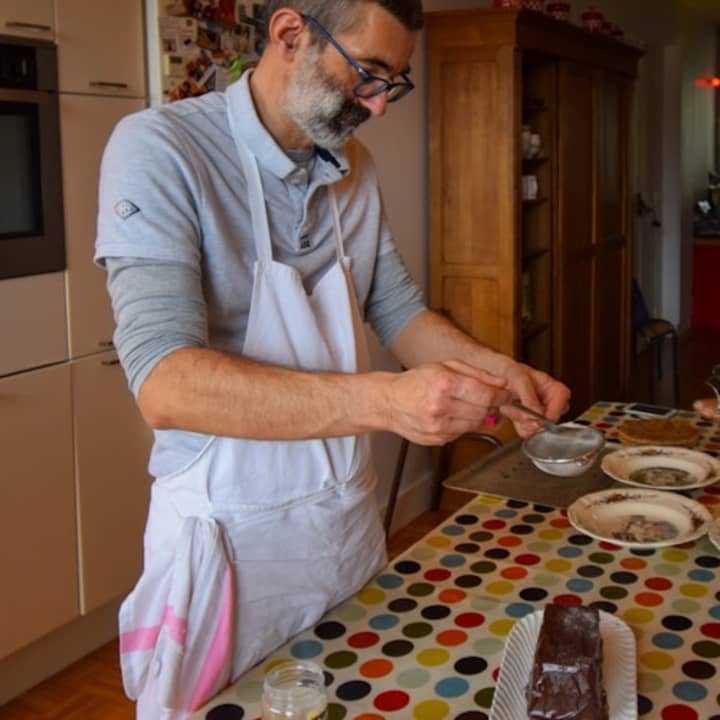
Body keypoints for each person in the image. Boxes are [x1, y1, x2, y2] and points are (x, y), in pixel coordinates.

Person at [95, 1, 571, 717]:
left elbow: (398, 311)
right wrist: (387, 402)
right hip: (228, 548)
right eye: (367, 73)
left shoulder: (354, 169)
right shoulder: (162, 149)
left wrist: (500, 373)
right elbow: (166, 382)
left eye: (392, 83)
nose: (376, 105)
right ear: (290, 34)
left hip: (343, 523)